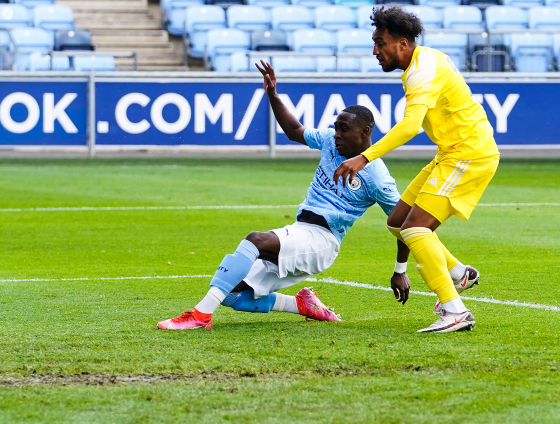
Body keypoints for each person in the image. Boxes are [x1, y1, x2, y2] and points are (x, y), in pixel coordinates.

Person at [157, 60, 402, 330]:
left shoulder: (378, 177)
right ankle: (301, 305)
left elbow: (402, 223)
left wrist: (400, 271)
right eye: (336, 127)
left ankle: (199, 317)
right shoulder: (330, 142)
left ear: (365, 132)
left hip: (322, 240)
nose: (337, 135)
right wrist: (273, 95)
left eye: (344, 129)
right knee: (231, 295)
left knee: (256, 240)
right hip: (299, 229)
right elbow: (294, 131)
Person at [333, 6, 499, 333]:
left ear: (403, 44)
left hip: (468, 154)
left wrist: (363, 158)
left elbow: (410, 126)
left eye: (381, 43)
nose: (375, 51)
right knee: (397, 222)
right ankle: (459, 273)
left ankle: (455, 311)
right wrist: (399, 267)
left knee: (415, 230)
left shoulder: (422, 70)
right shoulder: (423, 62)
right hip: (450, 153)